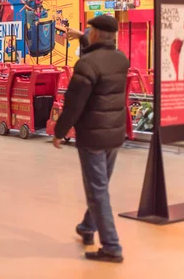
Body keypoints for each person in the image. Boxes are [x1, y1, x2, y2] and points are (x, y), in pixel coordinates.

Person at [53, 15, 129, 264]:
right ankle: (87, 227)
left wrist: (59, 132)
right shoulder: (121, 60)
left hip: (93, 137)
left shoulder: (86, 65)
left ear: (94, 34)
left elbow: (74, 105)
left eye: (90, 30)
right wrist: (83, 38)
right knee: (101, 187)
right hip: (114, 134)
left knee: (97, 191)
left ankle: (112, 247)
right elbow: (99, 57)